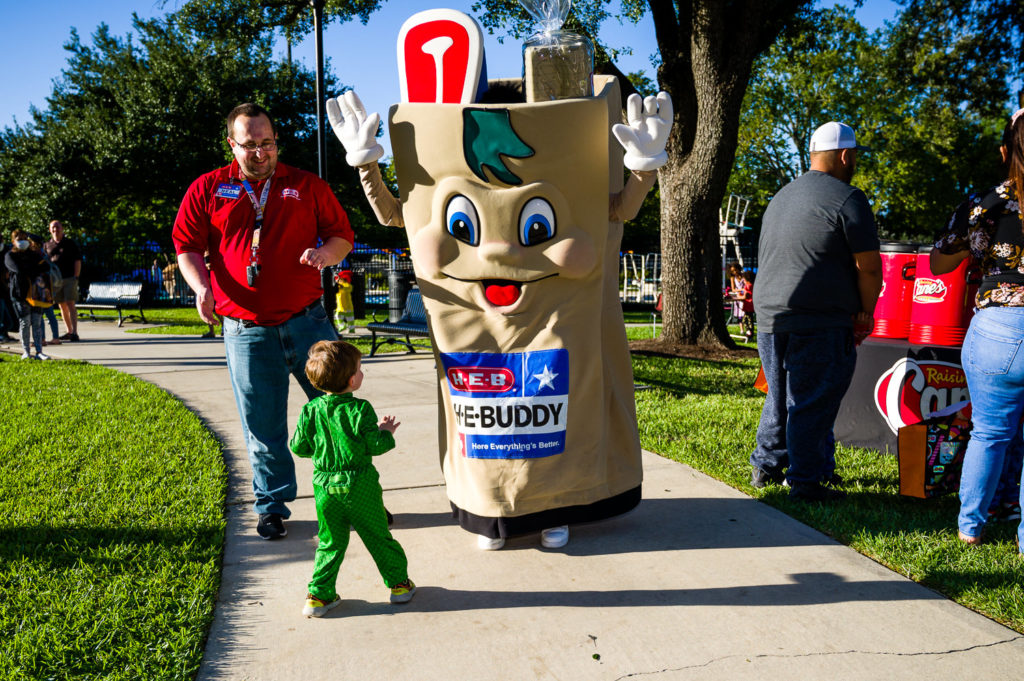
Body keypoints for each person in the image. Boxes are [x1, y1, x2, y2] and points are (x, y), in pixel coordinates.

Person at [173, 102, 353, 540]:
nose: (260, 153)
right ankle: (272, 505)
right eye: (250, 145)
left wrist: (325, 255)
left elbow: (341, 235)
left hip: (308, 323)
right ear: (231, 144)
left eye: (267, 144)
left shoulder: (306, 185)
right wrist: (202, 287)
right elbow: (187, 247)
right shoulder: (208, 188)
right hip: (246, 331)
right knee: (262, 423)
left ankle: (351, 497)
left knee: (337, 413)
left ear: (277, 143)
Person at [750, 121, 882, 501]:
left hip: (770, 314)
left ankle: (767, 466)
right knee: (813, 399)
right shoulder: (848, 198)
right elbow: (869, 267)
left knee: (779, 395)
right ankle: (806, 481)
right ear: (845, 155)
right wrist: (865, 310)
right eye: (854, 156)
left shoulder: (782, 196)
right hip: (819, 317)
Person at [930, 108, 1024, 551]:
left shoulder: (987, 202)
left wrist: (978, 250)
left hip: (996, 327)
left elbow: (939, 261)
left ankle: (970, 528)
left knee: (989, 433)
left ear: (1006, 150)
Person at [290, 340, 415, 617]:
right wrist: (385, 432)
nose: (362, 372)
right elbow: (376, 446)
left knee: (330, 542)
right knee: (377, 535)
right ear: (350, 379)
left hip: (324, 487)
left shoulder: (310, 411)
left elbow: (298, 447)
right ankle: (399, 585)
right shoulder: (360, 410)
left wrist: (321, 448)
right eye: (359, 369)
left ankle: (318, 596)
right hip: (360, 485)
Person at [5, 229, 52, 360]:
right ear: (13, 241)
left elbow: (45, 267)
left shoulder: (34, 254)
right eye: (19, 239)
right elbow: (18, 270)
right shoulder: (10, 256)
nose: (22, 242)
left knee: (37, 322)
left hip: (36, 293)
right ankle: (26, 351)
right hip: (20, 294)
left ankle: (39, 351)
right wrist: (34, 269)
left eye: (24, 238)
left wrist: (30, 269)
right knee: (25, 322)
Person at [44, 220, 82, 342]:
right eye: (53, 228)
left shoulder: (70, 243)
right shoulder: (47, 245)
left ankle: (75, 332)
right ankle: (69, 331)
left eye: (58, 227)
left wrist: (76, 276)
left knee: (70, 303)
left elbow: (77, 260)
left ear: (62, 229)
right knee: (61, 305)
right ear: (50, 230)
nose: (56, 229)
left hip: (69, 278)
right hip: (55, 280)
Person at [334, 269, 356, 334]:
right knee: (337, 316)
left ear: (344, 279)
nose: (338, 281)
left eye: (340, 279)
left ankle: (351, 329)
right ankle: (342, 326)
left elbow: (348, 288)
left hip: (348, 306)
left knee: (350, 319)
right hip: (340, 306)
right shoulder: (338, 286)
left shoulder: (347, 285)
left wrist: (341, 286)